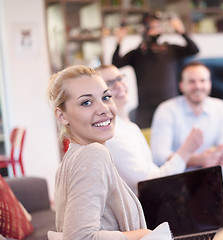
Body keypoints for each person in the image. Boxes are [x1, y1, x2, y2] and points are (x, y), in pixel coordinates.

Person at [47, 65, 170, 239]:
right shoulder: (92, 155)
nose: (104, 108)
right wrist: (143, 234)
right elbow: (78, 238)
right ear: (62, 116)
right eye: (86, 102)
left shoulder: (72, 157)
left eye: (106, 97)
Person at [151, 61, 223, 212]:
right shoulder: (166, 110)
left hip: (207, 169)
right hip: (179, 173)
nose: (198, 86)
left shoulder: (219, 107)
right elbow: (159, 157)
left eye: (202, 81)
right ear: (182, 86)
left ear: (209, 84)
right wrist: (198, 159)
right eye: (192, 81)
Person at [96, 65, 203, 195]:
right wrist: (186, 151)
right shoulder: (112, 134)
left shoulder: (131, 127)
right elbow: (150, 183)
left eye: (120, 78)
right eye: (109, 83)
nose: (119, 85)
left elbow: (152, 174)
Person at [112, 12, 199, 129]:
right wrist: (119, 41)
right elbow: (116, 64)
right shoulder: (138, 53)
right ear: (144, 29)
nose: (154, 30)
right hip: (146, 109)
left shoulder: (170, 50)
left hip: (170, 106)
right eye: (151, 27)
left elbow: (194, 50)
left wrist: (181, 30)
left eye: (157, 26)